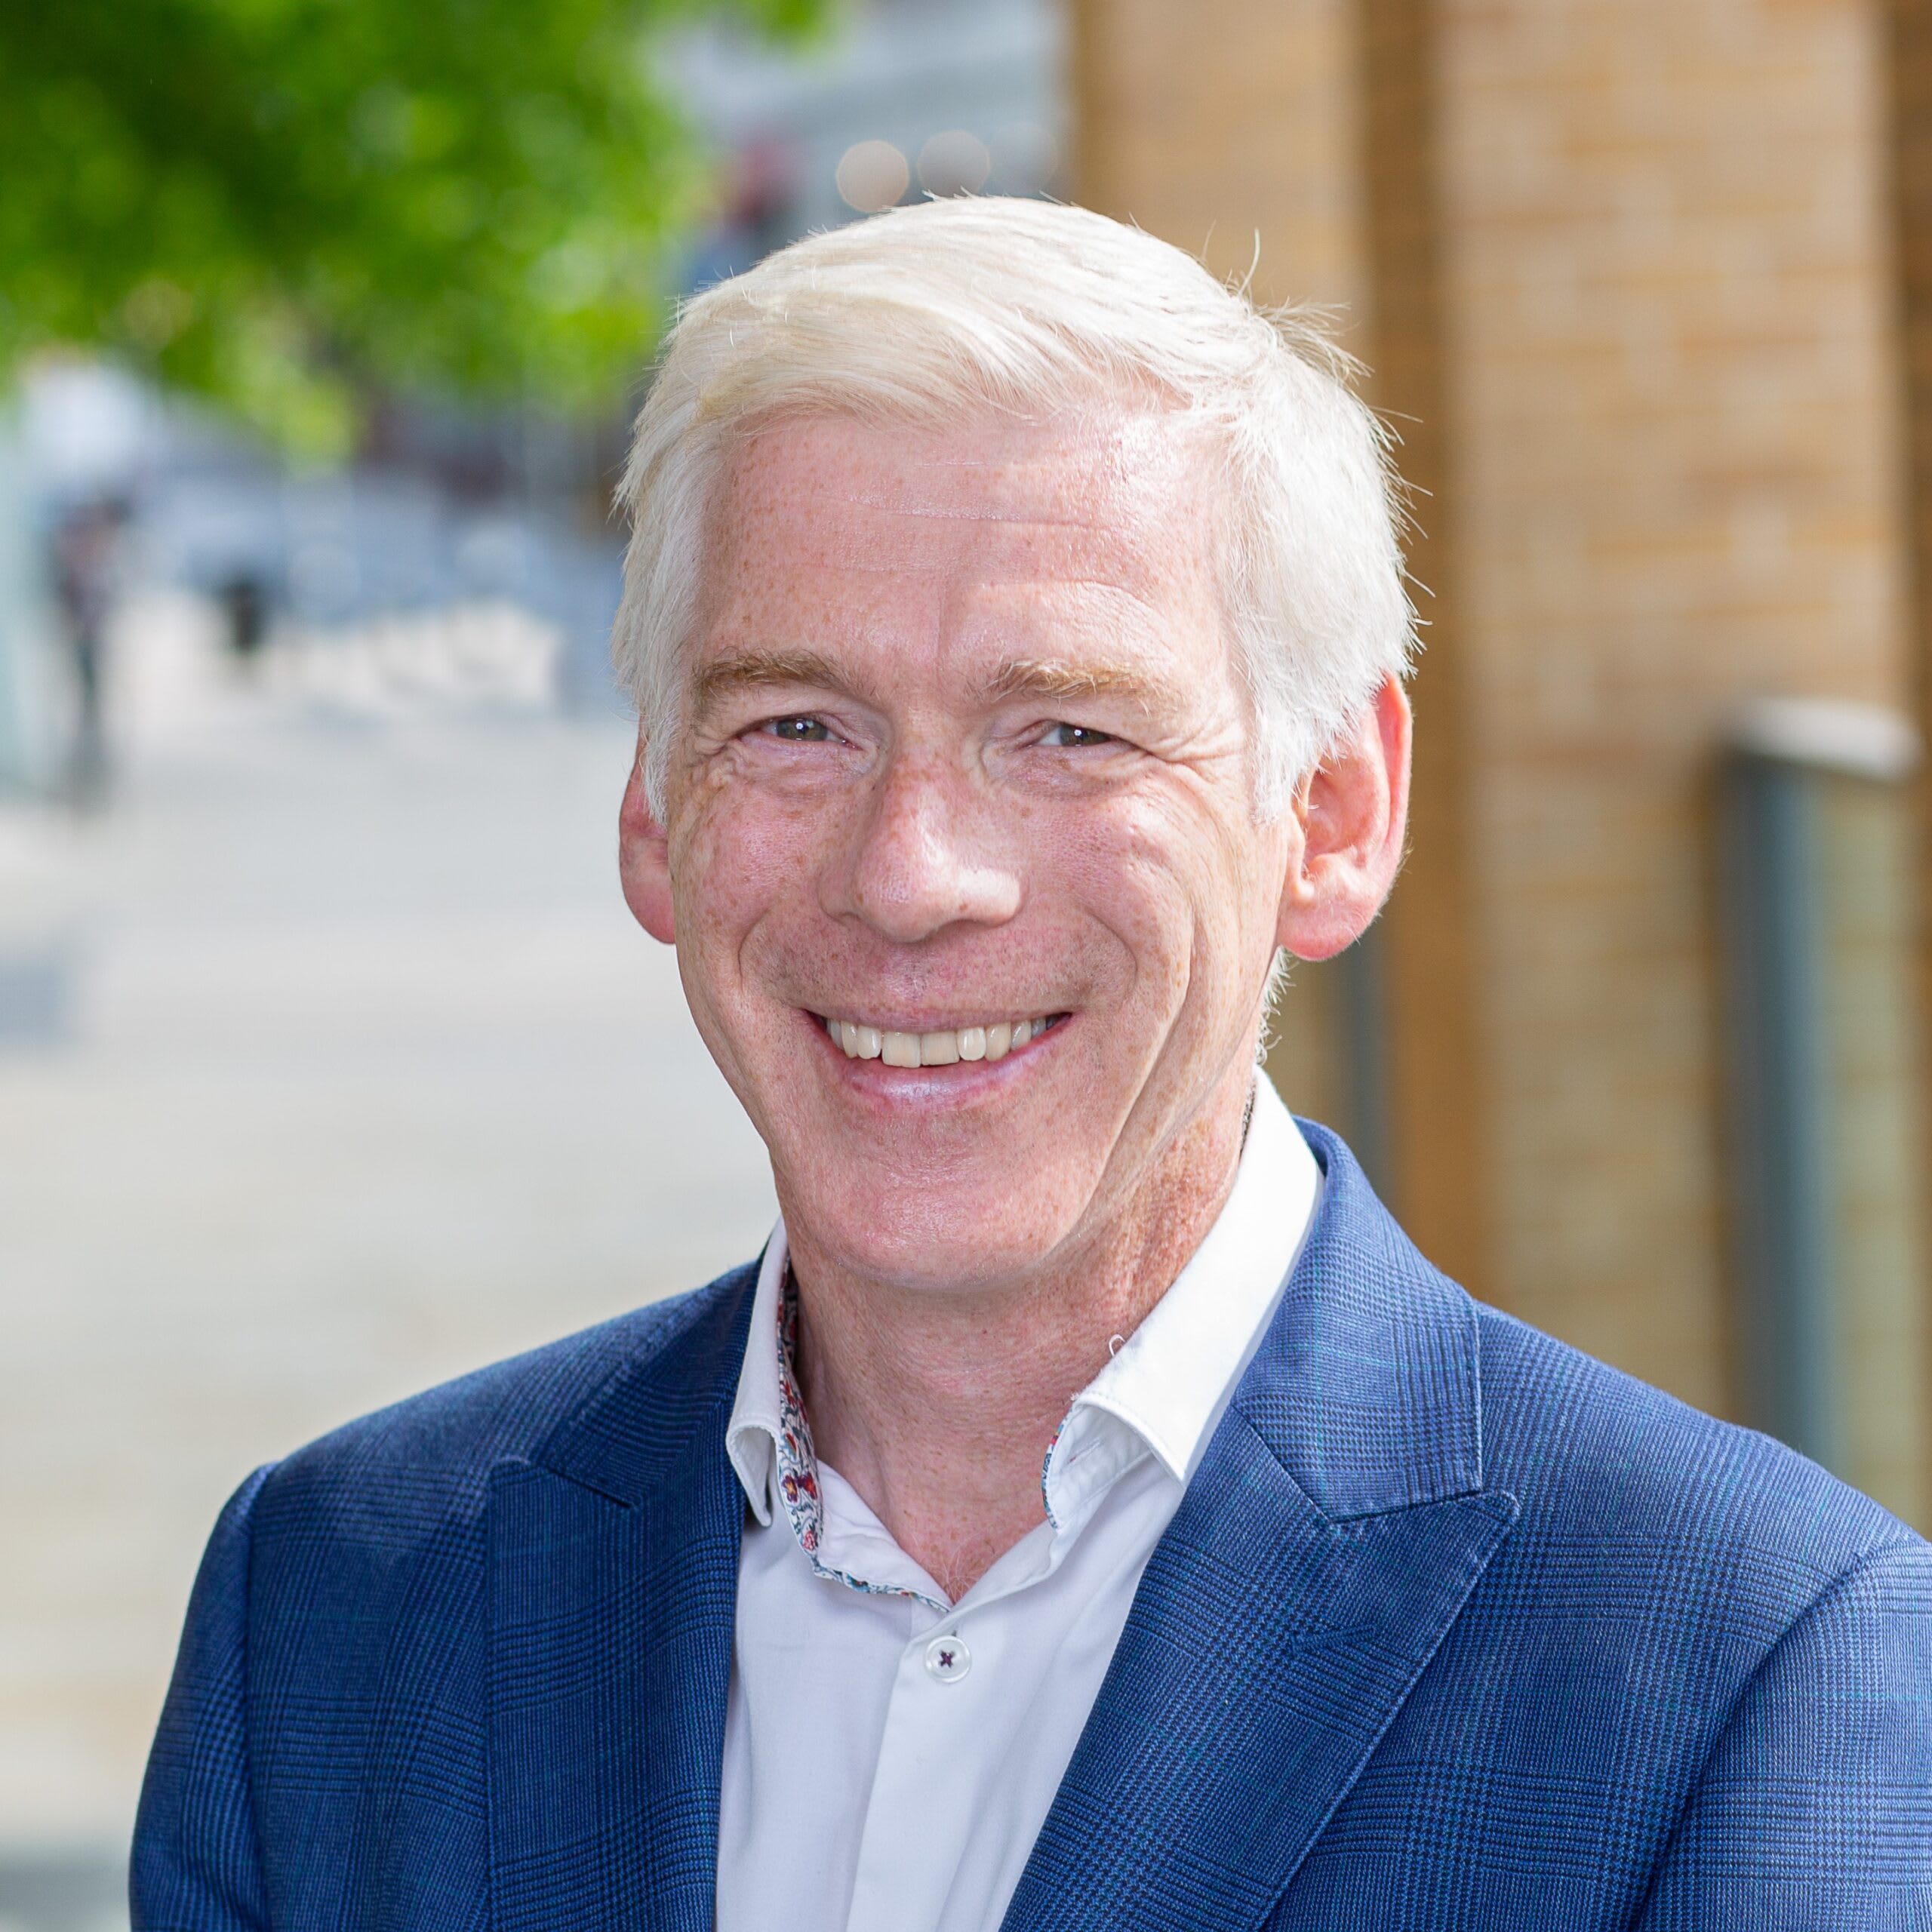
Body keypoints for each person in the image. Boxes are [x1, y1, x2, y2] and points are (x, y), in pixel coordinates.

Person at [133, 198, 1932, 1931]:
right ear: (653, 812)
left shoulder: (1744, 1672)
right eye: (795, 725)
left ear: (1329, 812)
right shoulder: (335, 1608)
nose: (912, 872)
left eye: (1066, 729)